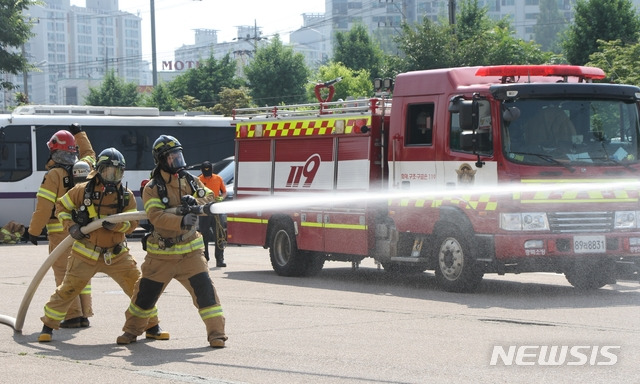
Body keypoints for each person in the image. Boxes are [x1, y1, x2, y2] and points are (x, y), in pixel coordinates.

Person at [38, 147, 170, 343]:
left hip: (117, 254)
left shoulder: (126, 196)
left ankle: (153, 327)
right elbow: (61, 206)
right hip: (86, 252)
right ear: (99, 170)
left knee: (138, 289)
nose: (113, 176)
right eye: (109, 171)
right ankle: (47, 327)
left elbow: (132, 223)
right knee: (68, 289)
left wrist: (117, 226)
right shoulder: (81, 191)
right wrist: (71, 225)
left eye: (118, 172)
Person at [117, 135, 227, 348]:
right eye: (172, 157)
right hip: (161, 256)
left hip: (190, 254)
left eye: (179, 155)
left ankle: (217, 335)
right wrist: (182, 221)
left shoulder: (189, 180)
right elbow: (156, 216)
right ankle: (131, 331)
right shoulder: (152, 187)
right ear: (161, 160)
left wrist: (194, 201)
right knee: (144, 297)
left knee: (206, 293)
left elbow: (211, 197)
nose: (177, 160)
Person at [28, 124, 95, 328]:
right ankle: (84, 313)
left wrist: (33, 231)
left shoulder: (54, 175)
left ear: (54, 150)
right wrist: (79, 134)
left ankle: (73, 315)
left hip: (59, 233)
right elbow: (90, 153)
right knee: (80, 271)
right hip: (83, 231)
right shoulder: (84, 167)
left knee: (63, 273)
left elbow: (44, 206)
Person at [197, 161, 227, 267]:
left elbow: (224, 192)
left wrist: (221, 198)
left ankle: (220, 259)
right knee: (203, 235)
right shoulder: (199, 180)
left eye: (209, 171)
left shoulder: (218, 178)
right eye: (205, 172)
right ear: (201, 171)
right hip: (204, 211)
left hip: (216, 210)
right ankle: (205, 258)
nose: (207, 174)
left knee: (219, 235)